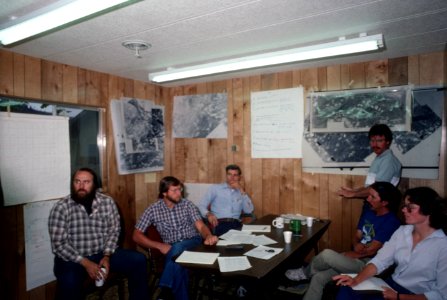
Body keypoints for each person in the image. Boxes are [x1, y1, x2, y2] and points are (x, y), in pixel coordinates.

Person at [285, 182, 402, 300]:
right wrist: (355, 245)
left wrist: (349, 254)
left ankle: (304, 273)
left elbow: (370, 251)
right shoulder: (369, 213)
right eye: (369, 195)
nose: (368, 199)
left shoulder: (391, 222)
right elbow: (357, 236)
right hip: (357, 258)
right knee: (318, 277)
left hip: (369, 265)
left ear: (384, 202)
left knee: (326, 255)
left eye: (373, 197)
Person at [48, 168, 149, 300]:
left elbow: (114, 231)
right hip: (73, 258)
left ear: (94, 184)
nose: (81, 186)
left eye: (86, 182)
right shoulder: (61, 207)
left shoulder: (107, 202)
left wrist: (107, 256)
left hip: (102, 253)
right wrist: (85, 263)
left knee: (138, 260)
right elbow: (59, 245)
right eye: (77, 182)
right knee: (69, 281)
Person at [333, 187, 447, 300]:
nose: (404, 210)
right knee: (347, 288)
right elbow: (379, 261)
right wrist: (356, 280)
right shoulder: (402, 231)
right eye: (404, 206)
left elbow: (441, 294)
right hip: (390, 285)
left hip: (415, 295)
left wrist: (399, 297)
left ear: (429, 210)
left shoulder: (443, 245)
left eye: (410, 207)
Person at [132, 176, 218, 300]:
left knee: (177, 247)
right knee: (178, 266)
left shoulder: (187, 204)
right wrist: (159, 245)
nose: (180, 193)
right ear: (164, 193)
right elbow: (136, 235)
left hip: (193, 243)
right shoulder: (153, 209)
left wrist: (208, 235)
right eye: (175, 190)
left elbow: (200, 226)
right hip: (171, 249)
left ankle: (165, 287)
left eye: (180, 189)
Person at [338, 124, 401, 199]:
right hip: (373, 203)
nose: (375, 144)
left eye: (379, 141)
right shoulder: (380, 158)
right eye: (372, 141)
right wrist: (354, 191)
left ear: (388, 142)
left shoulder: (388, 161)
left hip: (381, 206)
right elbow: (372, 186)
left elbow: (378, 189)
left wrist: (353, 194)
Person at [198, 164, 254, 236]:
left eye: (235, 175)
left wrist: (241, 190)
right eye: (229, 174)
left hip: (236, 223)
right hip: (220, 223)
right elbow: (201, 205)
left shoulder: (241, 192)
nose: (232, 178)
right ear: (226, 175)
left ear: (239, 177)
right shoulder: (215, 188)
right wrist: (208, 214)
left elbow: (249, 210)